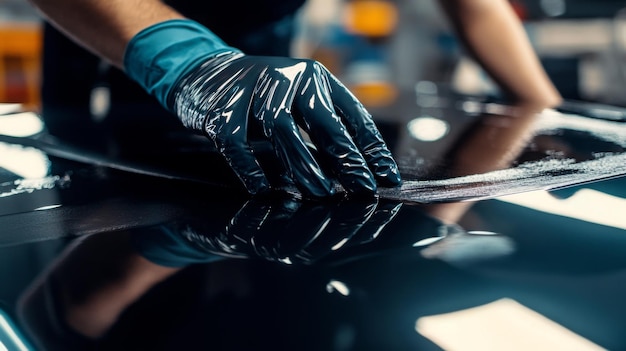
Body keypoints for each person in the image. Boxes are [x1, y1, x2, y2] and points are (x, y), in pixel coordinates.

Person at [25, 0, 562, 199]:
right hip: (118, 48)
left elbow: (475, 8)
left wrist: (552, 118)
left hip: (260, 60)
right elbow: (76, 311)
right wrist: (192, 64)